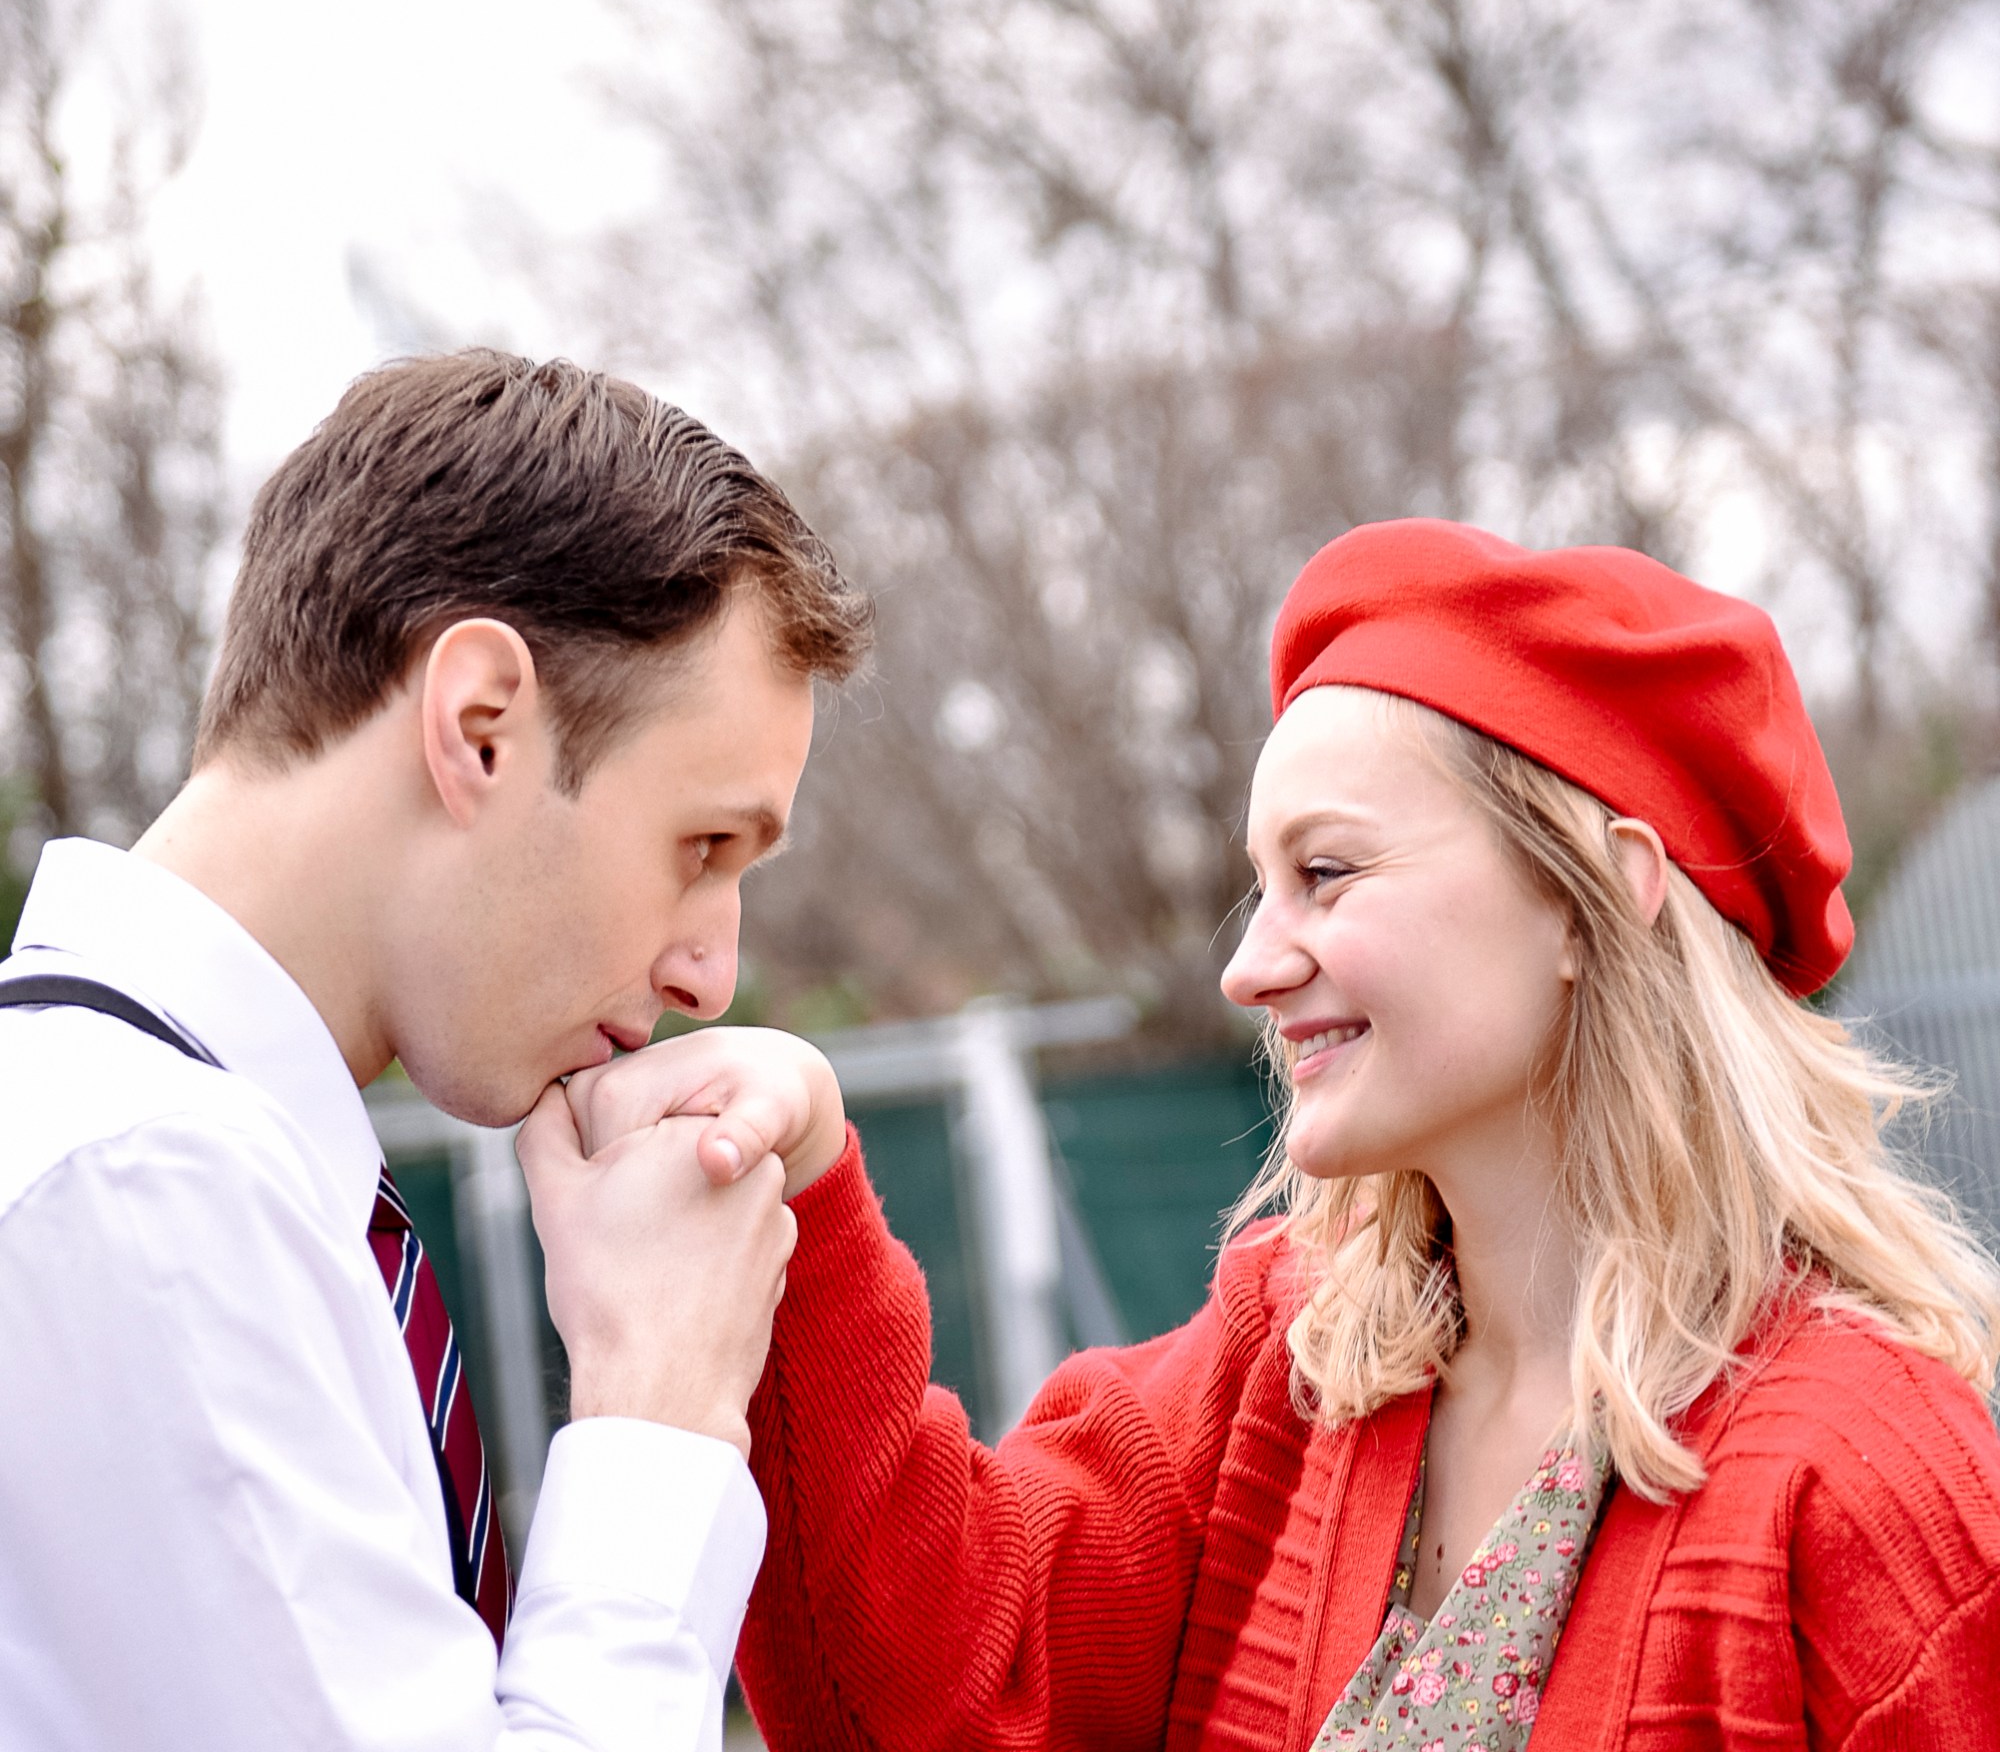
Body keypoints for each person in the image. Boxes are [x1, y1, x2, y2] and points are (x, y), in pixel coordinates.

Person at [574, 519, 2000, 1750]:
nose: (1251, 966)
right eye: (1260, 891)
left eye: (1326, 874)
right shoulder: (1292, 1365)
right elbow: (927, 1699)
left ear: (1589, 894)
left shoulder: (1867, 1480)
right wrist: (804, 1180)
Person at [0, 350, 870, 1750]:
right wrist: (656, 1402)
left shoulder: (153, 1151)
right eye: (700, 846)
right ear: (480, 729)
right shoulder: (142, 1184)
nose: (710, 973)